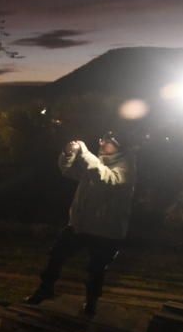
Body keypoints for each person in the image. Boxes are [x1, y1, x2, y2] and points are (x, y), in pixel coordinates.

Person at [25, 132, 136, 317]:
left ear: (119, 146)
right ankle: (45, 290)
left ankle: (91, 305)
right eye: (101, 140)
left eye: (107, 142)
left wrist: (84, 153)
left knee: (96, 270)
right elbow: (67, 170)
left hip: (106, 231)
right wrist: (68, 154)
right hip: (80, 225)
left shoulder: (127, 166)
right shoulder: (98, 162)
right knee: (56, 256)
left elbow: (106, 180)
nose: (101, 144)